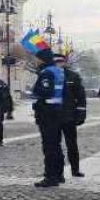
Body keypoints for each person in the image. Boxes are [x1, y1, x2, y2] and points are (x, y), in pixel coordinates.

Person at [31, 48, 67, 188]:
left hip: (47, 112)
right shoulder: (59, 71)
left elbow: (45, 91)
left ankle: (50, 176)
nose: (36, 61)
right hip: (57, 110)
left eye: (37, 59)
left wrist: (36, 91)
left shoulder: (47, 73)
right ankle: (59, 174)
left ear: (42, 59)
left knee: (49, 145)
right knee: (56, 144)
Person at [55, 53, 87, 178]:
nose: (59, 63)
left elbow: (81, 96)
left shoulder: (73, 76)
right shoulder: (48, 75)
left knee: (72, 144)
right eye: (56, 61)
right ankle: (57, 171)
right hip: (53, 116)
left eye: (60, 61)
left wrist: (81, 114)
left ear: (65, 62)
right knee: (54, 145)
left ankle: (75, 169)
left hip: (69, 116)